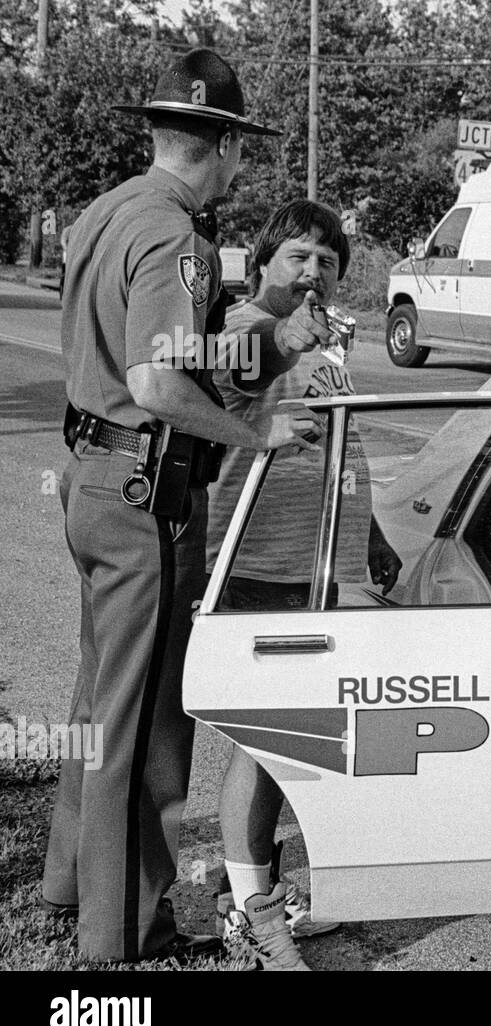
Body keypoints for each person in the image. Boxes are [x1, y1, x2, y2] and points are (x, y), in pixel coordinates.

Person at [42, 48, 320, 964]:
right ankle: (122, 933)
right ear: (225, 145)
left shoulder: (107, 211)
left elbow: (150, 356)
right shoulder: (179, 238)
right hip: (144, 493)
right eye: (241, 147)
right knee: (146, 724)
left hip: (94, 477)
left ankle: (71, 887)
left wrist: (270, 338)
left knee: (96, 698)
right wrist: (260, 438)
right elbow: (162, 384)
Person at [204, 200, 402, 970]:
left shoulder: (322, 342)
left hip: (321, 570)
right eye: (297, 256)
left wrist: (374, 535)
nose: (313, 271)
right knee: (261, 747)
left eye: (326, 261)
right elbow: (234, 375)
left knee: (292, 751)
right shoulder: (248, 328)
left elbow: (341, 450)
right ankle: (251, 916)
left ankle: (260, 897)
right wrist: (290, 336)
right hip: (255, 565)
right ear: (261, 264)